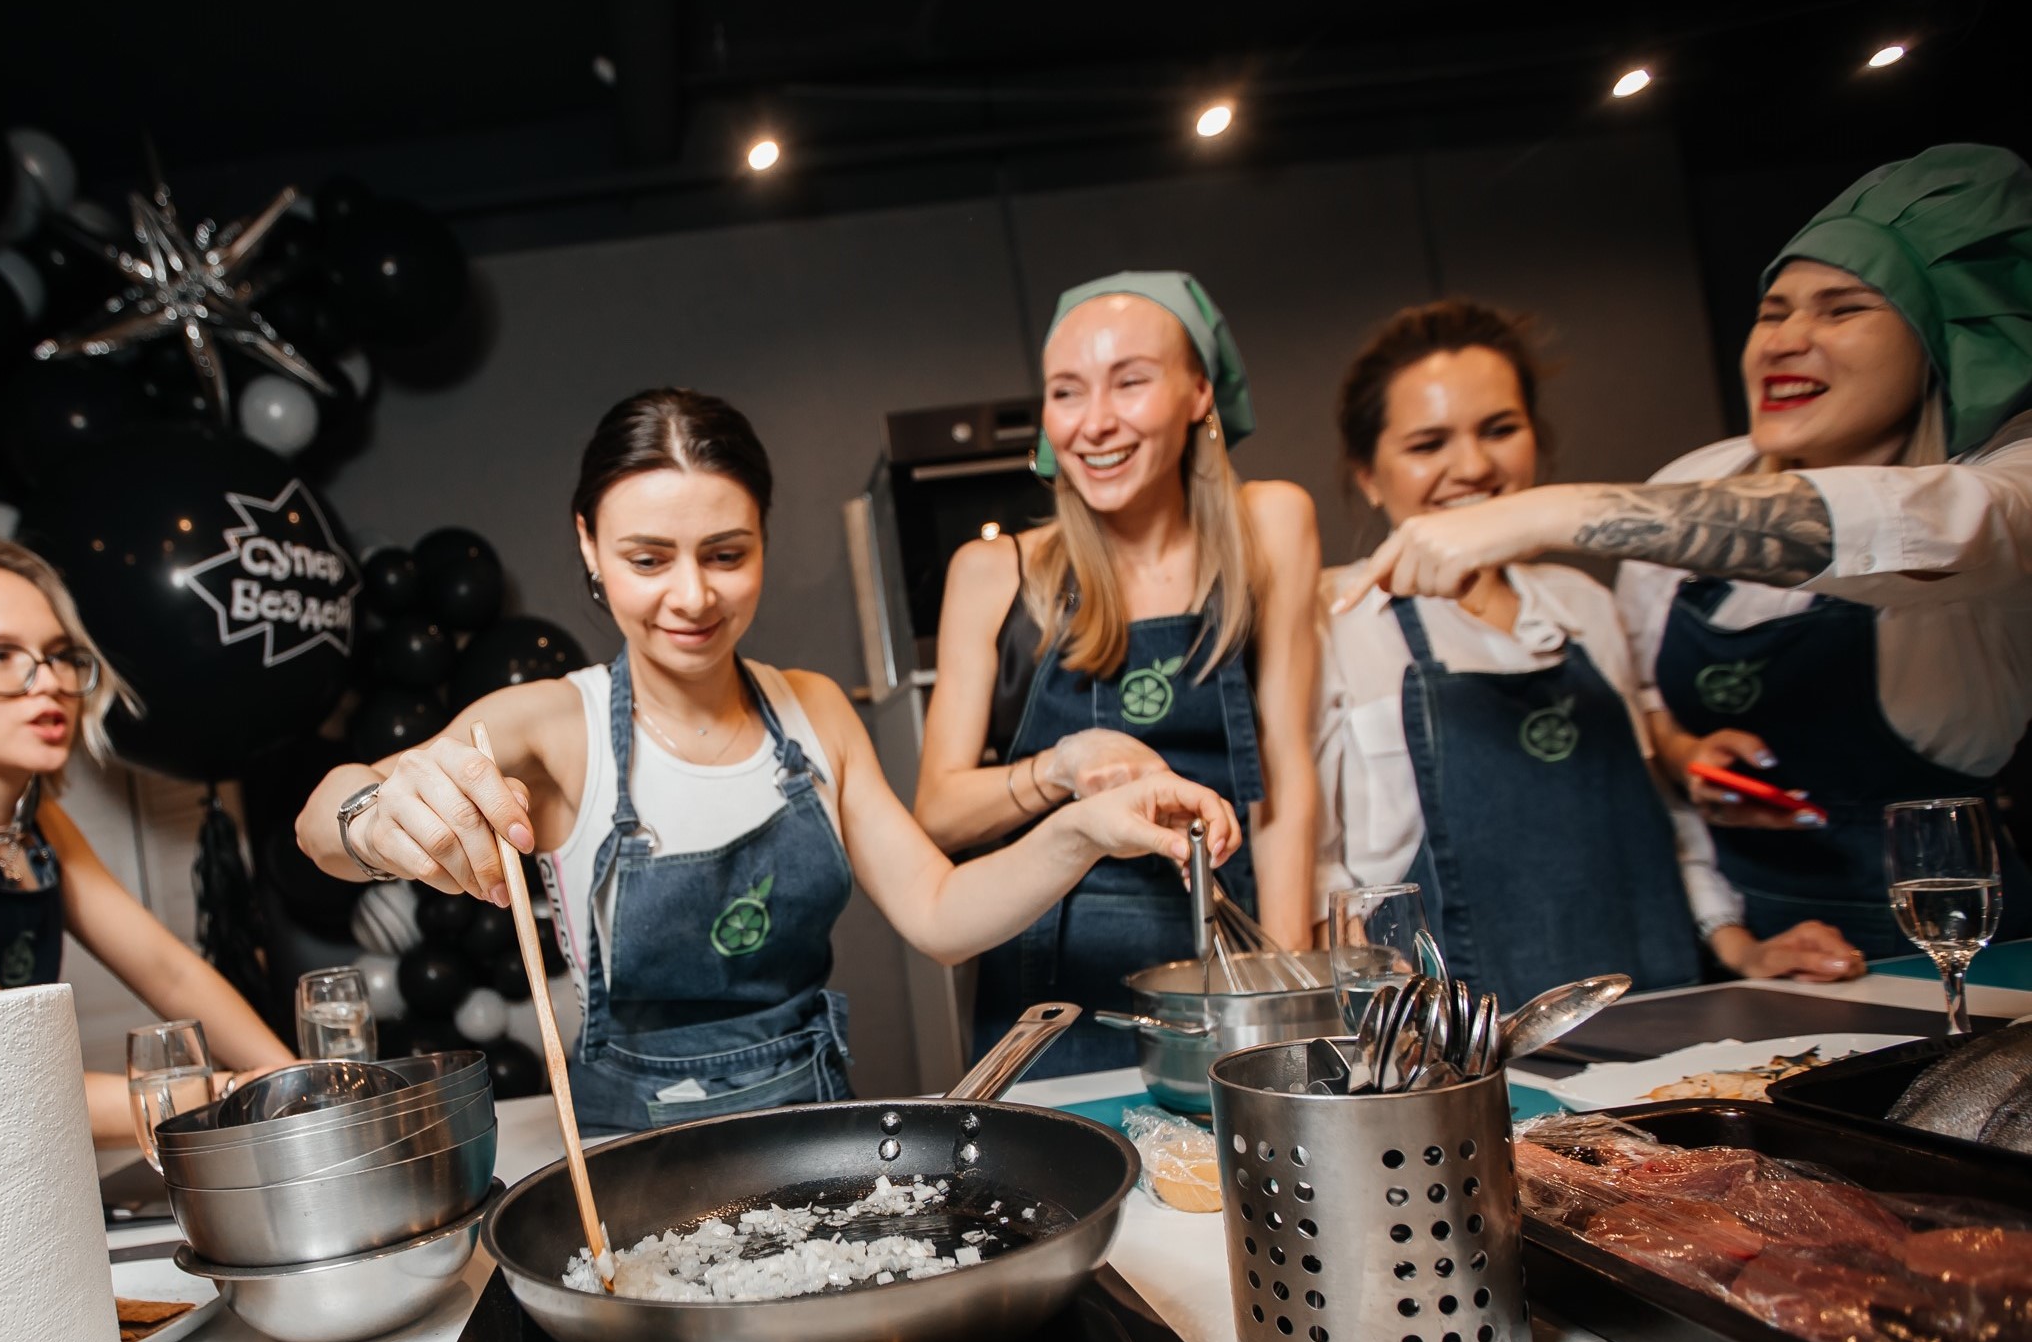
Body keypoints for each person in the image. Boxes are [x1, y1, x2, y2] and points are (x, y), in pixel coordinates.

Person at [295, 389, 1243, 1130]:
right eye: (648, 559)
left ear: (763, 539)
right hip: (634, 1154)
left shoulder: (813, 711)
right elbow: (325, 818)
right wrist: (371, 816)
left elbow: (942, 914)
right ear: (589, 546)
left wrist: (1083, 829)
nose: (692, 596)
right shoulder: (553, 726)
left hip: (812, 1134)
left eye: (725, 553)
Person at [1333, 146, 2032, 955]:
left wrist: (1548, 513)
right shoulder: (1692, 482)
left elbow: (1926, 522)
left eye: (1842, 310)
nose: (1786, 340)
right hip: (1756, 928)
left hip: (1951, 919)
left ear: (1934, 340)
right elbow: (1653, 724)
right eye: (1772, 312)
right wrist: (1688, 756)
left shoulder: (2002, 481)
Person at [1322, 300, 1864, 1001]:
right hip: (1459, 1030)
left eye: (1500, 430)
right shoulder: (1331, 618)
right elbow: (1317, 869)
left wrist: (1740, 946)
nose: (1474, 465)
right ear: (1368, 475)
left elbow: (1655, 813)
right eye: (1428, 444)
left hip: (1656, 998)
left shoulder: (1585, 604)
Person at [915, 272, 1322, 1076]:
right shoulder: (994, 572)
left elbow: (1283, 778)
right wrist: (1062, 768)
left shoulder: (1273, 524)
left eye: (1130, 381)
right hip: (1053, 970)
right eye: (1067, 391)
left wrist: (1279, 998)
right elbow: (940, 813)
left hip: (1226, 936)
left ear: (1199, 392)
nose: (1094, 422)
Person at [0, 535, 294, 1145]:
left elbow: (168, 971)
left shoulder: (38, 824)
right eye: (1, 654)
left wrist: (294, 1079)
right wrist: (241, 1095)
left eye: (59, 655)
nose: (48, 681)